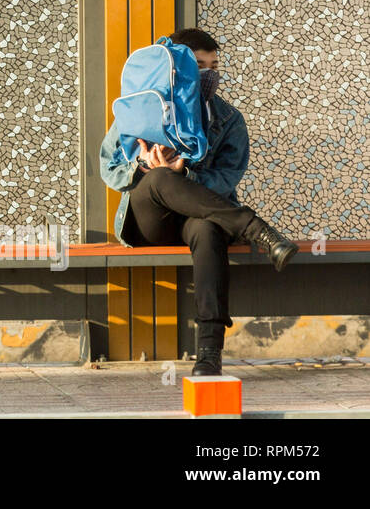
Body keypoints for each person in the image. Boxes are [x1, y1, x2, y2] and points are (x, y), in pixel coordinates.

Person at [98, 27, 296, 376]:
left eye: (214, 65)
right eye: (200, 66)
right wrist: (142, 165)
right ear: (179, 69)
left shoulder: (228, 118)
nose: (210, 74)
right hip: (151, 222)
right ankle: (254, 227)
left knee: (207, 228)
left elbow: (227, 176)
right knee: (160, 177)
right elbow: (109, 169)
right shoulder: (141, 109)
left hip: (200, 220)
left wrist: (186, 174)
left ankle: (209, 354)